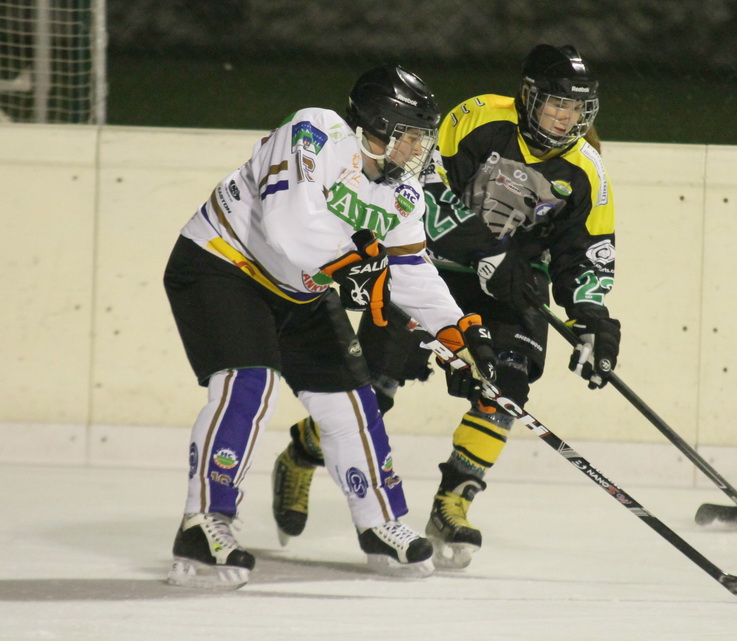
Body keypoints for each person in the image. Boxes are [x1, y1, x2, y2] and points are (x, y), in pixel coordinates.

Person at [272, 44, 620, 569]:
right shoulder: (478, 117)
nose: (566, 118)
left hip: (512, 283)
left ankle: (454, 500)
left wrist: (591, 320)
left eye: (576, 108)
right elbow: (420, 192)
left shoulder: (588, 168)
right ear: (529, 96)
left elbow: (587, 253)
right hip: (429, 265)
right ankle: (303, 449)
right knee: (375, 389)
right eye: (556, 104)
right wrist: (486, 247)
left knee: (506, 387)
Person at [162, 64, 497, 590]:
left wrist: (457, 332)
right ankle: (203, 522)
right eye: (410, 135)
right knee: (250, 382)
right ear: (377, 125)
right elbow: (289, 227)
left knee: (352, 403)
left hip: (301, 291)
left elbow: (409, 269)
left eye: (422, 137)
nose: (419, 148)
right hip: (223, 266)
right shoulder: (315, 131)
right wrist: (355, 263)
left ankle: (379, 522)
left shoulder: (404, 193)